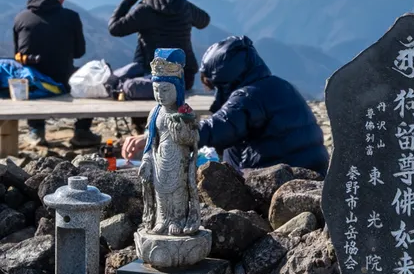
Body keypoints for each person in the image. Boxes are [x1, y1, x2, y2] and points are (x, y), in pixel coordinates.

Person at [122, 36, 328, 174]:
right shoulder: (278, 85)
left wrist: (157, 134)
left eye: (213, 85)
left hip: (280, 179)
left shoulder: (248, 96)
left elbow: (215, 129)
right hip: (313, 172)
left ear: (224, 79)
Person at [12, 0, 101, 147]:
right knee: (91, 80)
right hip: (63, 81)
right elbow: (79, 52)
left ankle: (36, 131)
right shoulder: (71, 17)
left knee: (30, 73)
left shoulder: (21, 17)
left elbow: (17, 53)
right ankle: (82, 132)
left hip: (32, 83)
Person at [108, 0, 210, 92]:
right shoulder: (183, 5)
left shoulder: (145, 10)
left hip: (155, 76)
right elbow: (204, 20)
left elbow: (114, 28)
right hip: (185, 78)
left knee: (116, 82)